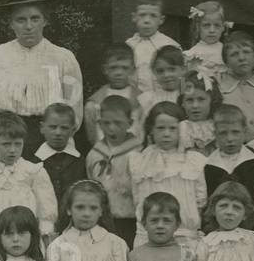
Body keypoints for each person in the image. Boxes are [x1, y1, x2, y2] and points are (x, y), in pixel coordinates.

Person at [0, 0, 83, 154]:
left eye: (35, 18)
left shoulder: (64, 58)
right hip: (5, 145)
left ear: (45, 20)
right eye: (21, 20)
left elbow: (74, 115)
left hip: (49, 146)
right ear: (10, 23)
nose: (29, 26)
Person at [0, 112, 59, 261]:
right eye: (6, 144)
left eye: (17, 144)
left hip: (27, 240)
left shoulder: (33, 172)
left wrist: (46, 237)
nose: (12, 150)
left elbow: (47, 211)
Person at [128, 101, 207, 245]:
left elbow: (200, 199)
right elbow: (137, 198)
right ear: (151, 129)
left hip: (184, 234)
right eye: (160, 128)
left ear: (182, 130)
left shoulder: (193, 161)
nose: (166, 134)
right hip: (149, 235)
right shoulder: (140, 161)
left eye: (172, 129)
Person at [85, 95, 144, 245]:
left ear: (129, 123)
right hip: (103, 218)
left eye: (118, 123)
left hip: (131, 218)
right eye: (106, 123)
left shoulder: (138, 152)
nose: (111, 128)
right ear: (100, 124)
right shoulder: (95, 154)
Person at [203, 105, 254, 208]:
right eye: (223, 133)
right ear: (215, 134)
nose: (230, 138)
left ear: (245, 131)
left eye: (235, 132)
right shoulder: (207, 167)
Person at [84, 44, 143, 145]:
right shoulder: (95, 103)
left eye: (124, 68)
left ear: (132, 69)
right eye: (113, 68)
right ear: (105, 69)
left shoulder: (141, 100)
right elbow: (92, 137)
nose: (118, 73)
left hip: (134, 154)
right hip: (105, 154)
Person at [218, 32, 254, 141]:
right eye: (234, 54)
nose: (241, 58)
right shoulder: (220, 89)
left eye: (246, 52)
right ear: (226, 62)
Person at [32, 103, 87, 207]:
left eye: (64, 128)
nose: (58, 132)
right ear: (42, 128)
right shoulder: (34, 162)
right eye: (53, 127)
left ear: (72, 130)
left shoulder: (79, 161)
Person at [126, 0, 181, 94]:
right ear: (134, 17)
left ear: (161, 20)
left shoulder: (170, 45)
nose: (147, 21)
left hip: (163, 99)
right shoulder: (128, 46)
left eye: (153, 16)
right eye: (142, 15)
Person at [138, 45, 187, 126]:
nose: (166, 75)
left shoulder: (186, 95)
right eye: (160, 71)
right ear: (154, 72)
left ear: (183, 69)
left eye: (172, 69)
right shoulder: (149, 99)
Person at [178, 70, 222, 155]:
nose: (195, 105)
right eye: (189, 100)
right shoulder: (181, 127)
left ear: (212, 101)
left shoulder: (217, 125)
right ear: (182, 103)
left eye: (201, 99)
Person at [185, 0, 230, 80]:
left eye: (217, 25)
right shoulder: (192, 54)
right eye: (206, 25)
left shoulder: (227, 51)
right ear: (198, 27)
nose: (212, 30)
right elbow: (183, 80)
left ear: (223, 27)